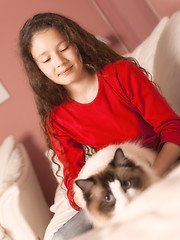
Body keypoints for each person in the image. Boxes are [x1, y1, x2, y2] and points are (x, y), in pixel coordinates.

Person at [19, 12, 180, 240]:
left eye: (63, 48)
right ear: (39, 70)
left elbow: (173, 129)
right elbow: (73, 178)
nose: (59, 62)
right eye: (46, 60)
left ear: (76, 44)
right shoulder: (56, 118)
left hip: (157, 164)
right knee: (61, 237)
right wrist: (102, 199)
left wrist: (150, 176)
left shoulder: (121, 75)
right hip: (111, 191)